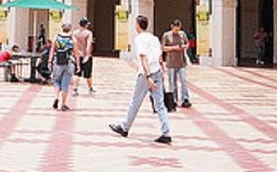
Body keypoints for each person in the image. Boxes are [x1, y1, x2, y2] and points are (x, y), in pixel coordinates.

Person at [109, 15, 172, 144]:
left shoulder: (139, 39)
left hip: (146, 73)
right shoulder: (154, 38)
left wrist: (148, 76)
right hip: (157, 71)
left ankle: (125, 127)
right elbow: (159, 56)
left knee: (136, 101)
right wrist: (161, 71)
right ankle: (166, 132)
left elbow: (143, 57)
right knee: (160, 103)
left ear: (138, 25)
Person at [162, 19, 192, 108]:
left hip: (182, 62)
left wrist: (185, 47)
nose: (177, 31)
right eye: (175, 29)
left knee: (184, 80)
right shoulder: (167, 35)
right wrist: (174, 48)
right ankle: (174, 99)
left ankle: (185, 98)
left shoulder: (182, 34)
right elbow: (163, 48)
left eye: (178, 29)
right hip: (171, 62)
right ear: (172, 27)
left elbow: (187, 44)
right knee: (172, 82)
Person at [50, 23, 79, 111]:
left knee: (56, 81)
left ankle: (56, 97)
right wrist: (78, 65)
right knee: (65, 83)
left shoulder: (57, 37)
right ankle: (63, 104)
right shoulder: (72, 38)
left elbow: (52, 50)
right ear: (70, 29)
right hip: (69, 63)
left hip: (57, 62)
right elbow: (76, 53)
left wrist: (49, 61)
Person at [71, 18, 95, 96]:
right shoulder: (88, 33)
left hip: (76, 55)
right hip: (85, 55)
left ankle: (75, 89)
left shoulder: (74, 33)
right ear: (85, 25)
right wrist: (87, 55)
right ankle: (90, 88)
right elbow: (88, 44)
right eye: (87, 24)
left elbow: (73, 44)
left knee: (76, 73)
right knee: (88, 74)